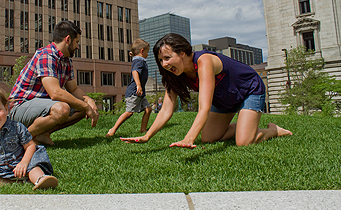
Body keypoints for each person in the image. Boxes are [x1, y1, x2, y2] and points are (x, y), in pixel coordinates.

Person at [121, 33, 292, 148]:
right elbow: (166, 109)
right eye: (161, 60)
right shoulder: (176, 74)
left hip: (248, 90)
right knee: (209, 138)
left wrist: (189, 138)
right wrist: (147, 135)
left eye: (167, 58)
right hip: (224, 99)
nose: (164, 64)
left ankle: (273, 130)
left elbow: (204, 107)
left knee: (243, 142)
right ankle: (245, 125)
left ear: (183, 53)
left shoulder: (204, 62)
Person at [9, 21, 99, 146]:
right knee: (62, 109)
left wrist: (88, 100)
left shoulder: (66, 60)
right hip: (20, 107)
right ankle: (21, 141)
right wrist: (85, 106)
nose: (78, 46)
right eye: (77, 42)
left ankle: (41, 134)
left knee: (81, 106)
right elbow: (55, 93)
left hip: (41, 106)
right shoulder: (47, 56)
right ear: (68, 39)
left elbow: (73, 89)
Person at [106, 39, 152, 137]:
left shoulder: (140, 60)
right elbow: (135, 72)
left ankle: (143, 130)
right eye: (147, 52)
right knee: (129, 113)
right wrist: (139, 85)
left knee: (148, 109)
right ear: (142, 51)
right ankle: (113, 129)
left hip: (140, 92)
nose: (148, 54)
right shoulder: (139, 61)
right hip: (134, 92)